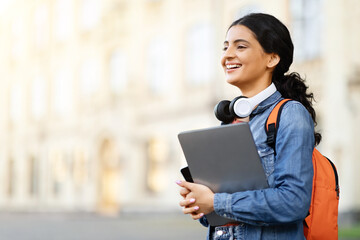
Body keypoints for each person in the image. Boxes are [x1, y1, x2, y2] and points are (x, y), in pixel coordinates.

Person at [176, 13, 321, 240]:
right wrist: (199, 203)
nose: (227, 55)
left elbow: (293, 202)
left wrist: (215, 201)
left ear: (271, 59)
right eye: (225, 48)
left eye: (240, 47)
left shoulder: (290, 113)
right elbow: (220, 216)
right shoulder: (229, 120)